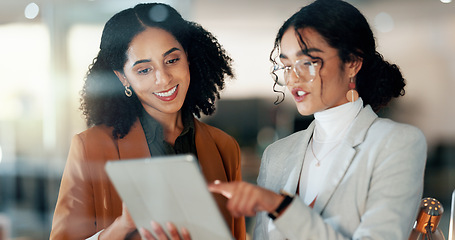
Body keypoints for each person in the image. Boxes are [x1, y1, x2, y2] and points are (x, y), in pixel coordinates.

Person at [209, 0, 427, 239]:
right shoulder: (276, 155)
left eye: (308, 63)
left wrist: (279, 206)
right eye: (286, 66)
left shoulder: (396, 143)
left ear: (353, 62)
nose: (293, 79)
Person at [49, 3, 246, 240]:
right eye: (144, 70)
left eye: (172, 60)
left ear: (188, 58)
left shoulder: (224, 147)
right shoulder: (90, 147)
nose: (163, 79)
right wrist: (121, 227)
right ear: (123, 78)